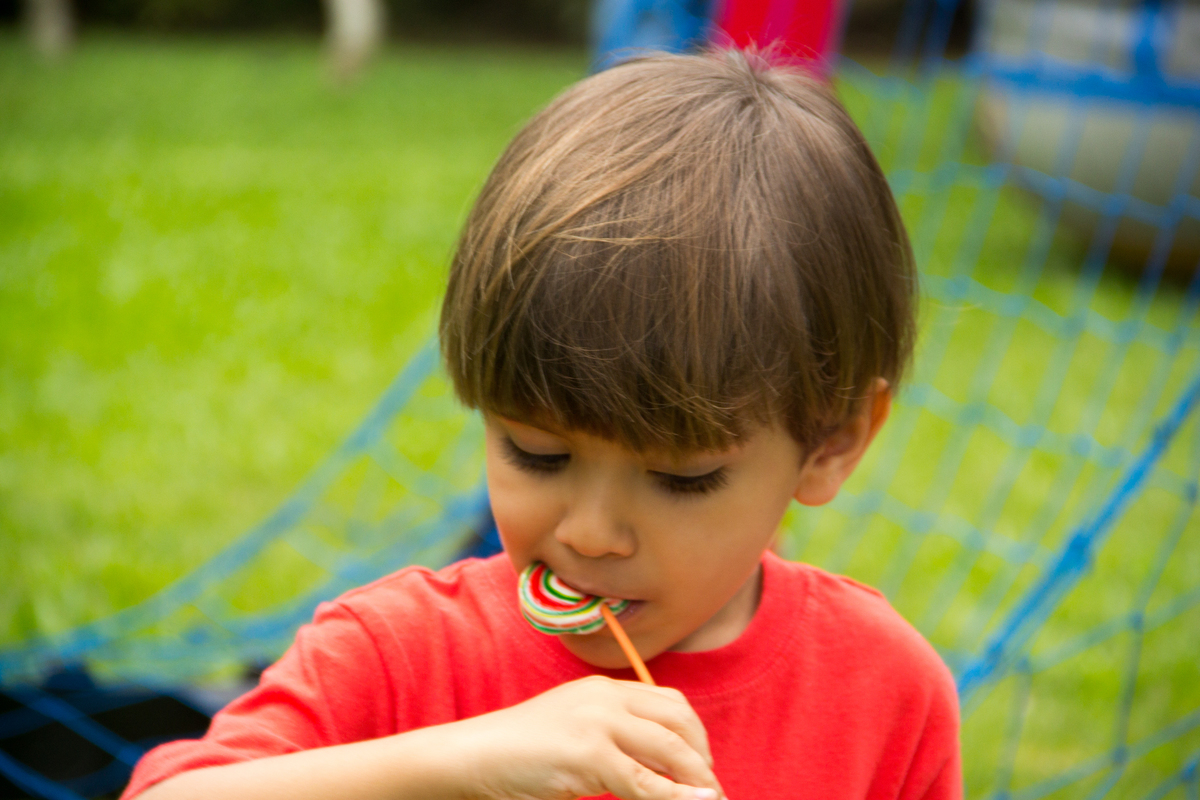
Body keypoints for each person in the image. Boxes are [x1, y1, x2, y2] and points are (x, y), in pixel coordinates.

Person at [122, 49, 959, 800]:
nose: (591, 534)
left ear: (835, 441)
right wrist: (460, 762)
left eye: (682, 477)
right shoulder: (396, 656)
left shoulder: (886, 694)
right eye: (538, 454)